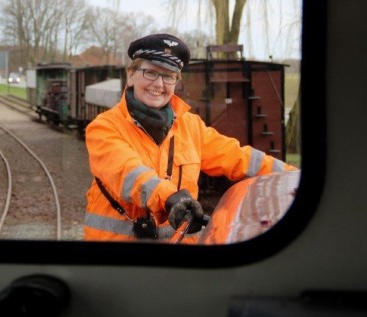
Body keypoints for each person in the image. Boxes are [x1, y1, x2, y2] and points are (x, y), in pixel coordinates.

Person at [84, 33, 297, 243]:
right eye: (150, 73)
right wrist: (168, 197)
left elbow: (239, 157)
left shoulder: (191, 126)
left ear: (176, 81)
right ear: (131, 75)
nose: (159, 84)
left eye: (168, 76)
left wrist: (294, 178)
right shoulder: (104, 127)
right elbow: (126, 172)